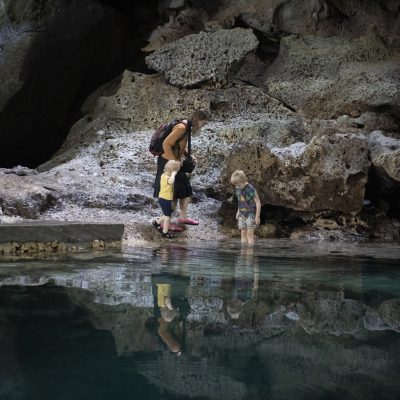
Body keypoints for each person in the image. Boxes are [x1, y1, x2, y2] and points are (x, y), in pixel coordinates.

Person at [153, 110, 209, 230]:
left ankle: (182, 217)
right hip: (168, 162)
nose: (203, 126)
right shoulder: (181, 128)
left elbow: (179, 144)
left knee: (185, 191)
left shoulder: (188, 127)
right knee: (171, 193)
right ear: (197, 120)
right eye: (203, 123)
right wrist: (174, 162)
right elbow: (166, 144)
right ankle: (164, 222)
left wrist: (189, 155)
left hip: (176, 162)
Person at [230, 170, 261, 245]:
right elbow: (240, 200)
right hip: (242, 214)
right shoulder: (238, 187)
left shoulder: (250, 189)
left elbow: (258, 202)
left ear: (244, 181)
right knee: (243, 234)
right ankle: (243, 251)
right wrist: (238, 211)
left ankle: (250, 251)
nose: (237, 187)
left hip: (251, 214)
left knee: (249, 235)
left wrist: (257, 217)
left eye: (239, 185)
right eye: (236, 185)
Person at [153, 160, 181, 238]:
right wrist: (173, 174)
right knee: (168, 216)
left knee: (167, 213)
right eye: (176, 171)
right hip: (164, 199)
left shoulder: (164, 175)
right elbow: (171, 181)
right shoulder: (166, 177)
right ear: (172, 171)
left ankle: (157, 222)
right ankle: (165, 232)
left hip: (165, 199)